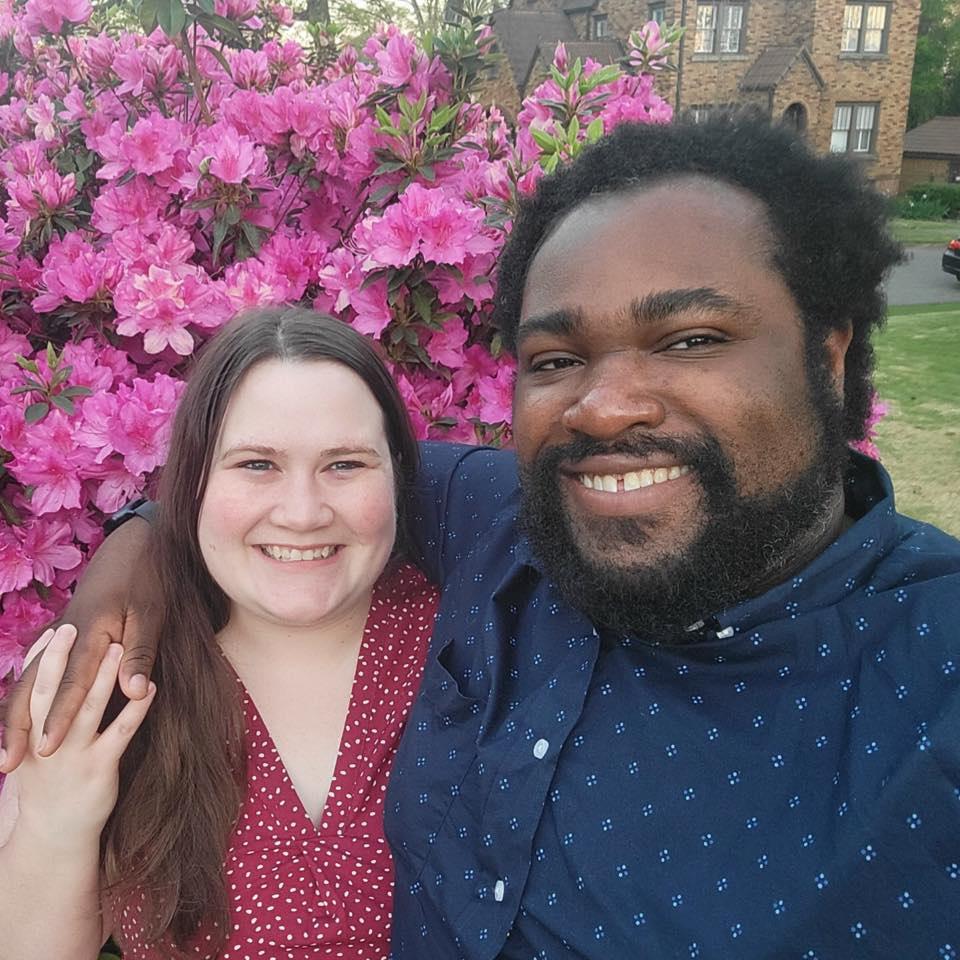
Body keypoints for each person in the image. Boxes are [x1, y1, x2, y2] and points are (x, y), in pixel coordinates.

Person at [4, 115, 960, 958]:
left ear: (827, 353)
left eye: (692, 339)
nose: (607, 406)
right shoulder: (514, 521)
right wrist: (133, 551)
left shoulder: (932, 670)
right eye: (555, 358)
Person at [0, 307, 439, 959]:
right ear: (193, 481)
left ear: (399, 475)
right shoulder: (108, 672)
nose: (302, 512)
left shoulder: (472, 642)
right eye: (257, 465)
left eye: (345, 464)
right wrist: (57, 822)